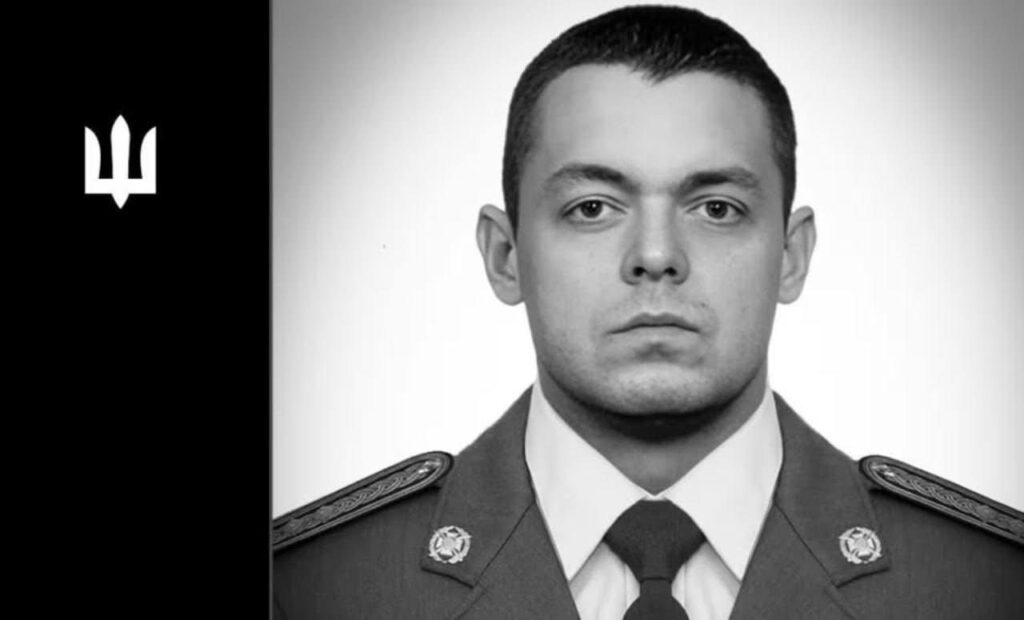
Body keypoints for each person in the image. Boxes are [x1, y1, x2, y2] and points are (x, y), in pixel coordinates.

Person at [272, 5, 1024, 619]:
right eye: (593, 207)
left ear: (791, 256)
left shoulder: (981, 584)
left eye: (717, 207)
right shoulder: (315, 589)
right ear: (505, 256)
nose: (657, 255)